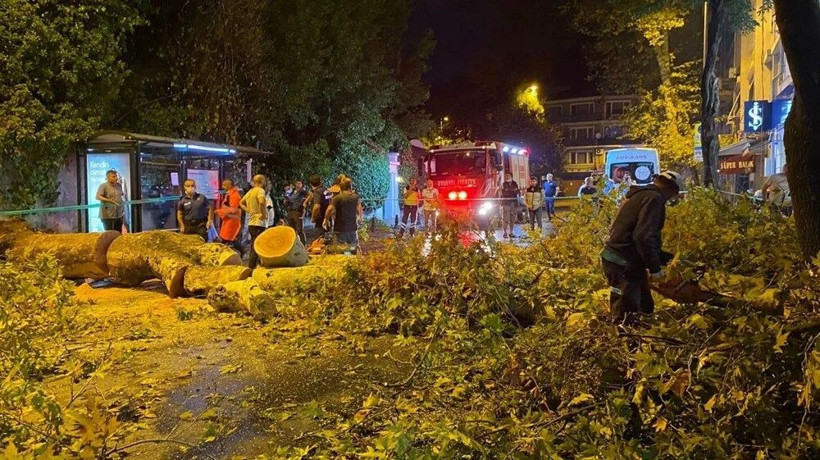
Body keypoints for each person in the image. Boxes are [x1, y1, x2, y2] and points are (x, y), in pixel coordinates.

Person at [600, 170, 685, 325]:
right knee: (627, 313)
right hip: (623, 262)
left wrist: (665, 258)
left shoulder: (641, 195)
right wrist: (655, 269)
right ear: (671, 189)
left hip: (621, 259)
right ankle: (625, 344)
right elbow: (644, 237)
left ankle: (640, 337)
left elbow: (639, 233)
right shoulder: (654, 198)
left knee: (645, 306)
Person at [323, 177, 362, 246]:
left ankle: (345, 255)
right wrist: (360, 217)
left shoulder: (337, 198)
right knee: (353, 247)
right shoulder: (356, 197)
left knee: (340, 249)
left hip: (340, 228)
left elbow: (329, 209)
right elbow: (359, 208)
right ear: (350, 187)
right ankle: (351, 255)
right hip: (352, 228)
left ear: (340, 188)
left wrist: (326, 220)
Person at [241, 175, 268, 268]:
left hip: (251, 222)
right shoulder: (260, 191)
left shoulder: (250, 192)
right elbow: (261, 202)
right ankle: (252, 267)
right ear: (262, 181)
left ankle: (255, 265)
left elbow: (241, 203)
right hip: (259, 223)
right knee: (257, 246)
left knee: (254, 244)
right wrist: (263, 214)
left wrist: (249, 210)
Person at [216, 178, 242, 250]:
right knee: (227, 239)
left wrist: (219, 211)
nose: (222, 187)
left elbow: (233, 209)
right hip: (228, 221)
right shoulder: (229, 194)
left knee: (229, 240)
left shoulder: (234, 196)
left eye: (224, 185)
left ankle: (241, 252)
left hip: (232, 222)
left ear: (230, 185)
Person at [284, 179, 309, 244]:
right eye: (297, 183)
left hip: (298, 211)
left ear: (301, 184)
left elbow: (309, 196)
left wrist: (305, 203)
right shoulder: (292, 191)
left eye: (299, 183)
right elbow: (287, 198)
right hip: (290, 211)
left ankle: (304, 244)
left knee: (299, 229)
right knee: (292, 229)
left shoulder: (302, 191)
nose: (298, 184)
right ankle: (293, 244)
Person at [499, 173, 520, 238]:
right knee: (506, 219)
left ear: (511, 176)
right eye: (506, 176)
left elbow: (516, 192)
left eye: (508, 176)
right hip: (506, 204)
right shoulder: (503, 184)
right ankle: (505, 232)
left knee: (512, 219)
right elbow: (504, 194)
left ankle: (511, 232)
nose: (506, 177)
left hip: (514, 204)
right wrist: (512, 191)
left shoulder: (515, 184)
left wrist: (509, 190)